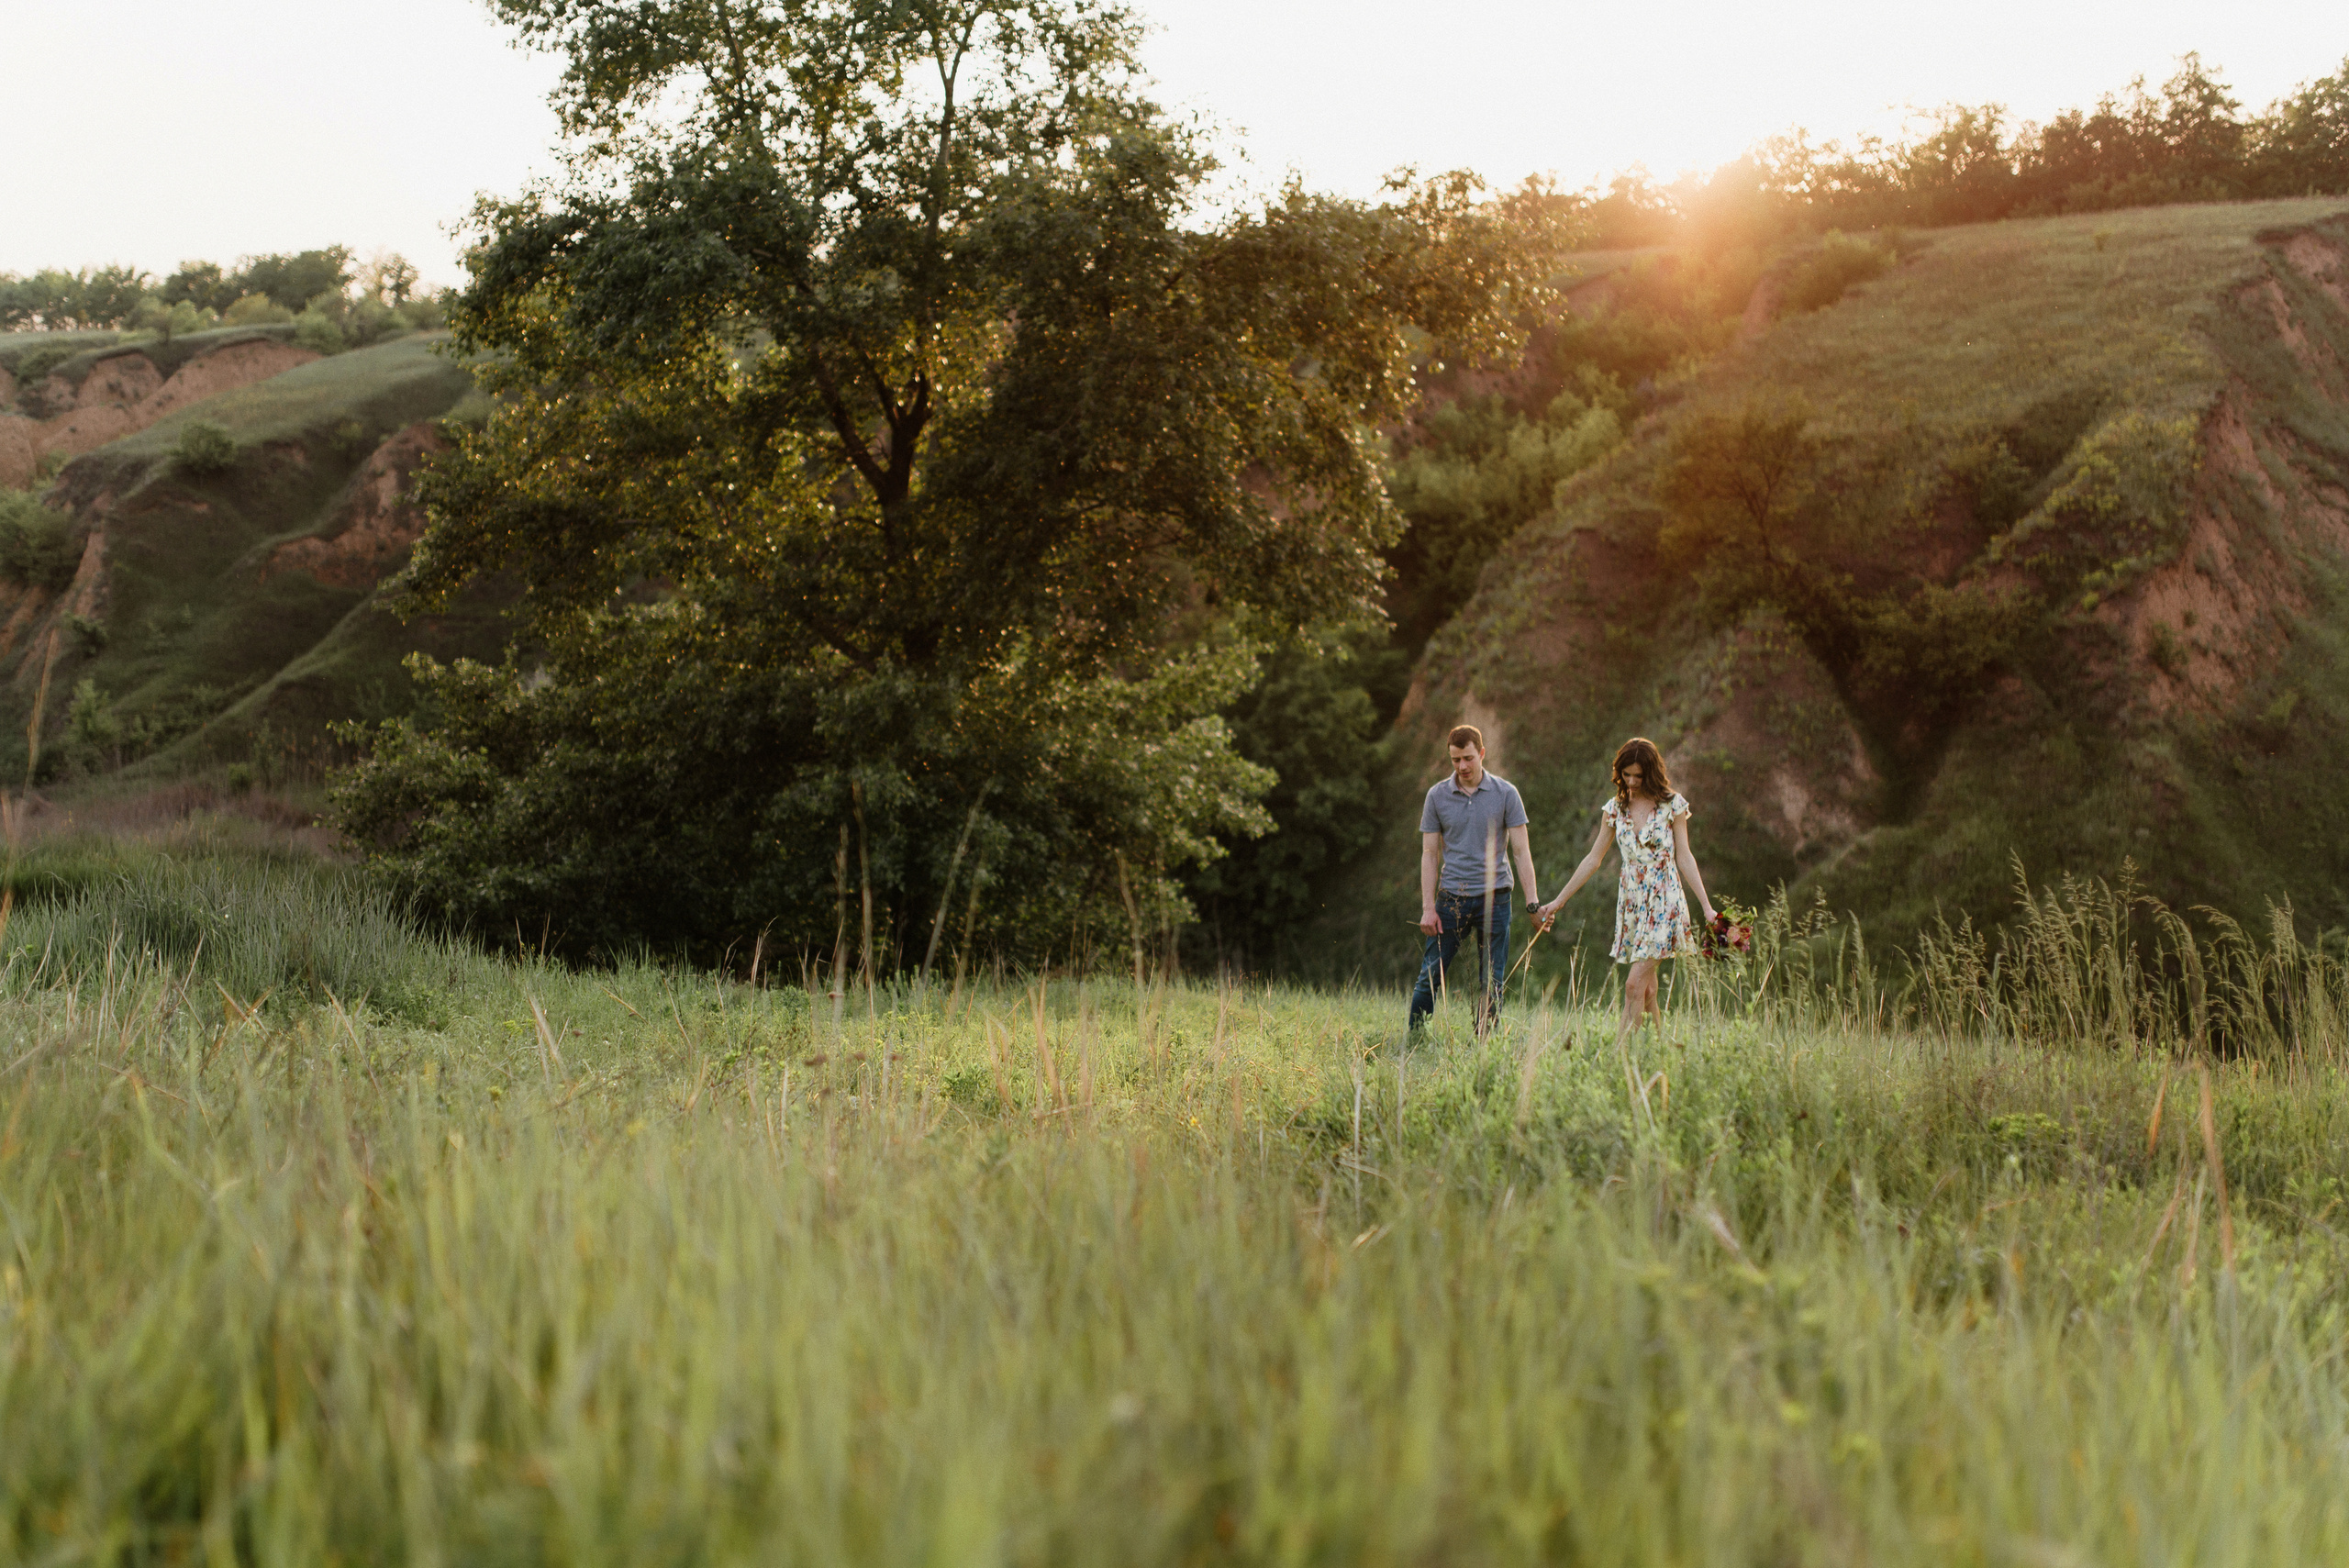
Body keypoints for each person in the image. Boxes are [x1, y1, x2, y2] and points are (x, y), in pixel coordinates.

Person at [1536, 737, 1716, 1048]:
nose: (1631, 782)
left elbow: (1684, 857)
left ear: (1651, 772)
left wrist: (1707, 906)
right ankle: (1663, 1052)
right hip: (1633, 903)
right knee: (1646, 991)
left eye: (1638, 775)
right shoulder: (1615, 809)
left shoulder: (1672, 805)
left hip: (1665, 901)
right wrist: (1558, 901)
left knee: (1633, 986)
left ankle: (1617, 1058)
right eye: (1626, 775)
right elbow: (1593, 859)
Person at [1409, 724, 1541, 1034]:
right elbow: (1429, 854)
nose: (1462, 766)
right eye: (1455, 760)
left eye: (1468, 758)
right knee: (1430, 974)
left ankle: (1486, 1045)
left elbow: (1522, 852)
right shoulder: (1437, 796)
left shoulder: (1506, 793)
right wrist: (1428, 908)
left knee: (1492, 978)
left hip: (1496, 897)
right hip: (1451, 898)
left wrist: (1533, 903)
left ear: (1482, 754)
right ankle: (1414, 1039)